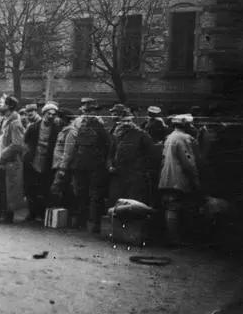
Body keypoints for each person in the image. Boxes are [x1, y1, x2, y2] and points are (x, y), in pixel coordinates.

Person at [57, 97, 111, 232]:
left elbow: (107, 146)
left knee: (92, 195)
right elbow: (71, 147)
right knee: (83, 194)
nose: (88, 113)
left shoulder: (96, 126)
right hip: (83, 165)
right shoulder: (82, 125)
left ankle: (91, 223)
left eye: (90, 110)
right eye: (86, 110)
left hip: (90, 165)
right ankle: (85, 222)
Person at [159, 114, 201, 246]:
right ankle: (178, 240)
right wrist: (195, 180)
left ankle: (172, 239)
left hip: (167, 177)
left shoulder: (170, 137)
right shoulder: (185, 138)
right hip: (179, 179)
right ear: (186, 125)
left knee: (171, 208)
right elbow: (188, 163)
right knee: (178, 208)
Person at [0, 95, 26, 223]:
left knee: (8, 190)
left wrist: (2, 156)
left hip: (9, 164)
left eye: (2, 103)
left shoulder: (15, 123)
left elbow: (17, 145)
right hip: (0, 163)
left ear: (9, 106)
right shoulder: (2, 121)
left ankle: (7, 215)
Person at [23, 102, 62, 221]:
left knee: (45, 188)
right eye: (48, 114)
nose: (50, 116)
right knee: (31, 188)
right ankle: (32, 212)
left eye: (53, 114)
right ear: (43, 114)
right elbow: (25, 142)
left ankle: (42, 213)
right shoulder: (33, 127)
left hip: (48, 162)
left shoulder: (57, 130)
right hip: (33, 161)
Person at [107, 109, 154, 205]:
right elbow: (110, 153)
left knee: (134, 202)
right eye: (124, 121)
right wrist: (110, 166)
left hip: (135, 174)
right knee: (119, 201)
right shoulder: (116, 135)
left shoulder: (142, 135)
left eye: (128, 121)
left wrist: (143, 168)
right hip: (118, 174)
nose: (126, 123)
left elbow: (150, 153)